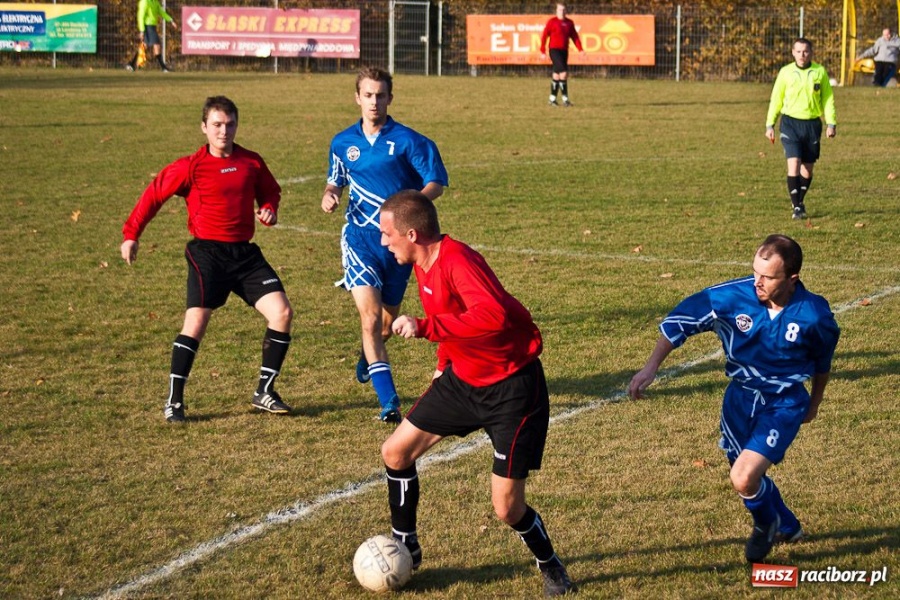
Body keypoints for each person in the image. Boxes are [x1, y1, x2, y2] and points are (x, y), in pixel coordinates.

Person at [378, 191, 576, 597]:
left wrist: (426, 328)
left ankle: (550, 564)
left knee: (507, 508)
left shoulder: (458, 260)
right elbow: (451, 316)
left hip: (512, 391)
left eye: (387, 234)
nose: (384, 242)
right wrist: (441, 363)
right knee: (395, 452)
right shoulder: (422, 262)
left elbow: (493, 316)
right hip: (462, 381)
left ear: (412, 234)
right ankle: (406, 544)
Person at [628, 234, 840, 564]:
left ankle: (765, 523)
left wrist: (814, 403)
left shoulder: (814, 316)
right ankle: (788, 525)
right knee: (744, 473)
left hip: (783, 402)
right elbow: (682, 321)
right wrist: (651, 367)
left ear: (792, 279)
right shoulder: (731, 296)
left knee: (743, 477)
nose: (757, 282)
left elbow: (822, 362)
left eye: (768, 277)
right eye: (755, 272)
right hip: (739, 398)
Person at [121, 96, 294, 423]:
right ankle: (174, 401)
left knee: (282, 312)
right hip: (208, 254)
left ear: (236, 125)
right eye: (216, 124)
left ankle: (264, 391)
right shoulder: (190, 166)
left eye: (229, 124)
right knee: (197, 323)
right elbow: (154, 194)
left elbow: (271, 191)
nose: (223, 131)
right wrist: (132, 234)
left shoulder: (251, 162)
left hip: (245, 255)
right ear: (204, 127)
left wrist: (270, 208)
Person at [322, 67, 449, 424]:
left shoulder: (410, 141)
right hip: (360, 239)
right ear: (357, 98)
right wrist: (330, 195)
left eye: (381, 95)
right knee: (371, 317)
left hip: (398, 246)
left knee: (385, 324)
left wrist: (412, 209)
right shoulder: (342, 142)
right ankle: (389, 400)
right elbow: (335, 181)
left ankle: (368, 358)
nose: (374, 101)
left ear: (390, 98)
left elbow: (436, 182)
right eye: (368, 95)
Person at [765, 38, 837, 220]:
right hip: (790, 123)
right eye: (798, 51)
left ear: (811, 53)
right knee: (794, 163)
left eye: (805, 51)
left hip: (812, 125)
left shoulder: (819, 72)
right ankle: (796, 207)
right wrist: (770, 124)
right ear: (792, 52)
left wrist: (831, 123)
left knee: (807, 169)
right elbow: (776, 99)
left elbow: (828, 99)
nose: (802, 55)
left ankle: (799, 200)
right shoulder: (786, 72)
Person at [540, 3, 586, 107]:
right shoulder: (552, 22)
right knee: (563, 73)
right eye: (560, 10)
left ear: (566, 11)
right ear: (556, 11)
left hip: (564, 51)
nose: (562, 12)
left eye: (564, 10)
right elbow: (544, 36)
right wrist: (542, 51)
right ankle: (565, 100)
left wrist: (580, 49)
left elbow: (575, 37)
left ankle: (552, 99)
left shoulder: (569, 23)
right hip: (554, 50)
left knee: (556, 74)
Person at [126, 0, 177, 72]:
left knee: (144, 46)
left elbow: (162, 12)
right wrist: (142, 30)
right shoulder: (145, 1)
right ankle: (163, 67)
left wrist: (171, 20)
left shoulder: (155, 2)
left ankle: (132, 64)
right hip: (147, 26)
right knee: (156, 45)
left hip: (152, 27)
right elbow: (140, 16)